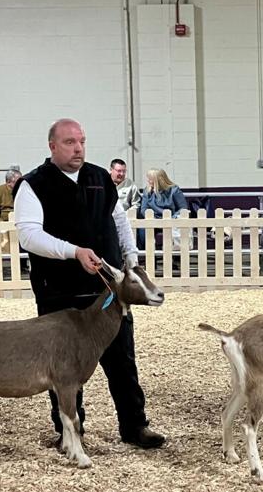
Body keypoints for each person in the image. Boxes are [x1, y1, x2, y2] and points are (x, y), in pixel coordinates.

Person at [13, 118, 165, 449]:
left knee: (122, 361)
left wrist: (133, 258)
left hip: (108, 292)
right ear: (52, 146)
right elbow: (29, 236)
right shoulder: (33, 185)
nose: (78, 147)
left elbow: (118, 219)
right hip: (60, 294)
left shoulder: (100, 178)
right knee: (63, 369)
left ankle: (135, 426)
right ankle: (70, 431)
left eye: (81, 141)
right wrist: (73, 252)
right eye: (69, 142)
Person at [137, 167, 188, 249]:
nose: (148, 181)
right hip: (154, 220)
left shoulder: (174, 190)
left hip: (172, 220)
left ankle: (175, 256)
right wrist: (152, 218)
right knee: (142, 230)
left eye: (150, 179)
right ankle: (150, 256)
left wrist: (173, 218)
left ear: (158, 180)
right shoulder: (147, 191)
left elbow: (183, 208)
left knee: (177, 231)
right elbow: (144, 208)